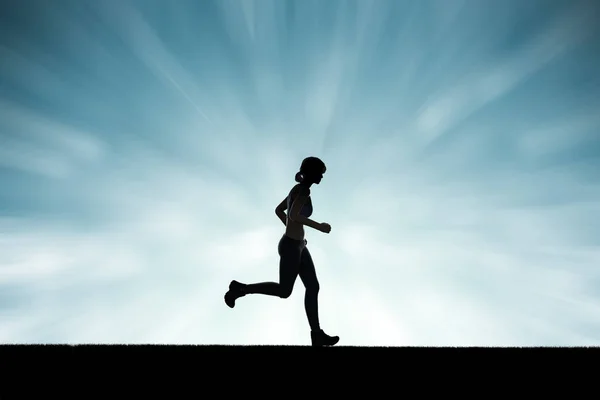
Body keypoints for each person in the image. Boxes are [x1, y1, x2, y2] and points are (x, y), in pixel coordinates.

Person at [224, 156, 339, 347]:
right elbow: (292, 215)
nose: (322, 177)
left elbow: (279, 211)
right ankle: (240, 288)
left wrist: (295, 231)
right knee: (284, 291)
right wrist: (320, 227)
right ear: (312, 172)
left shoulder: (298, 189)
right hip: (290, 247)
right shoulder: (302, 190)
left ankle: (316, 334)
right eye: (320, 173)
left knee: (313, 286)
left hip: (300, 245)